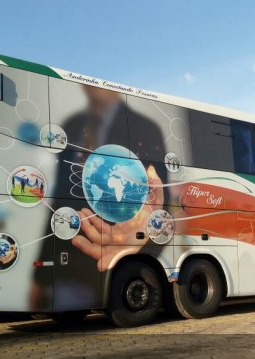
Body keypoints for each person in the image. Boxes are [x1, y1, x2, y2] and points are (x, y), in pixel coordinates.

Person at [30, 84, 168, 311]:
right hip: (68, 267)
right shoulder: (72, 125)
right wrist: (41, 276)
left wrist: (142, 243)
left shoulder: (145, 128)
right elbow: (58, 205)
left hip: (118, 257)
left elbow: (164, 212)